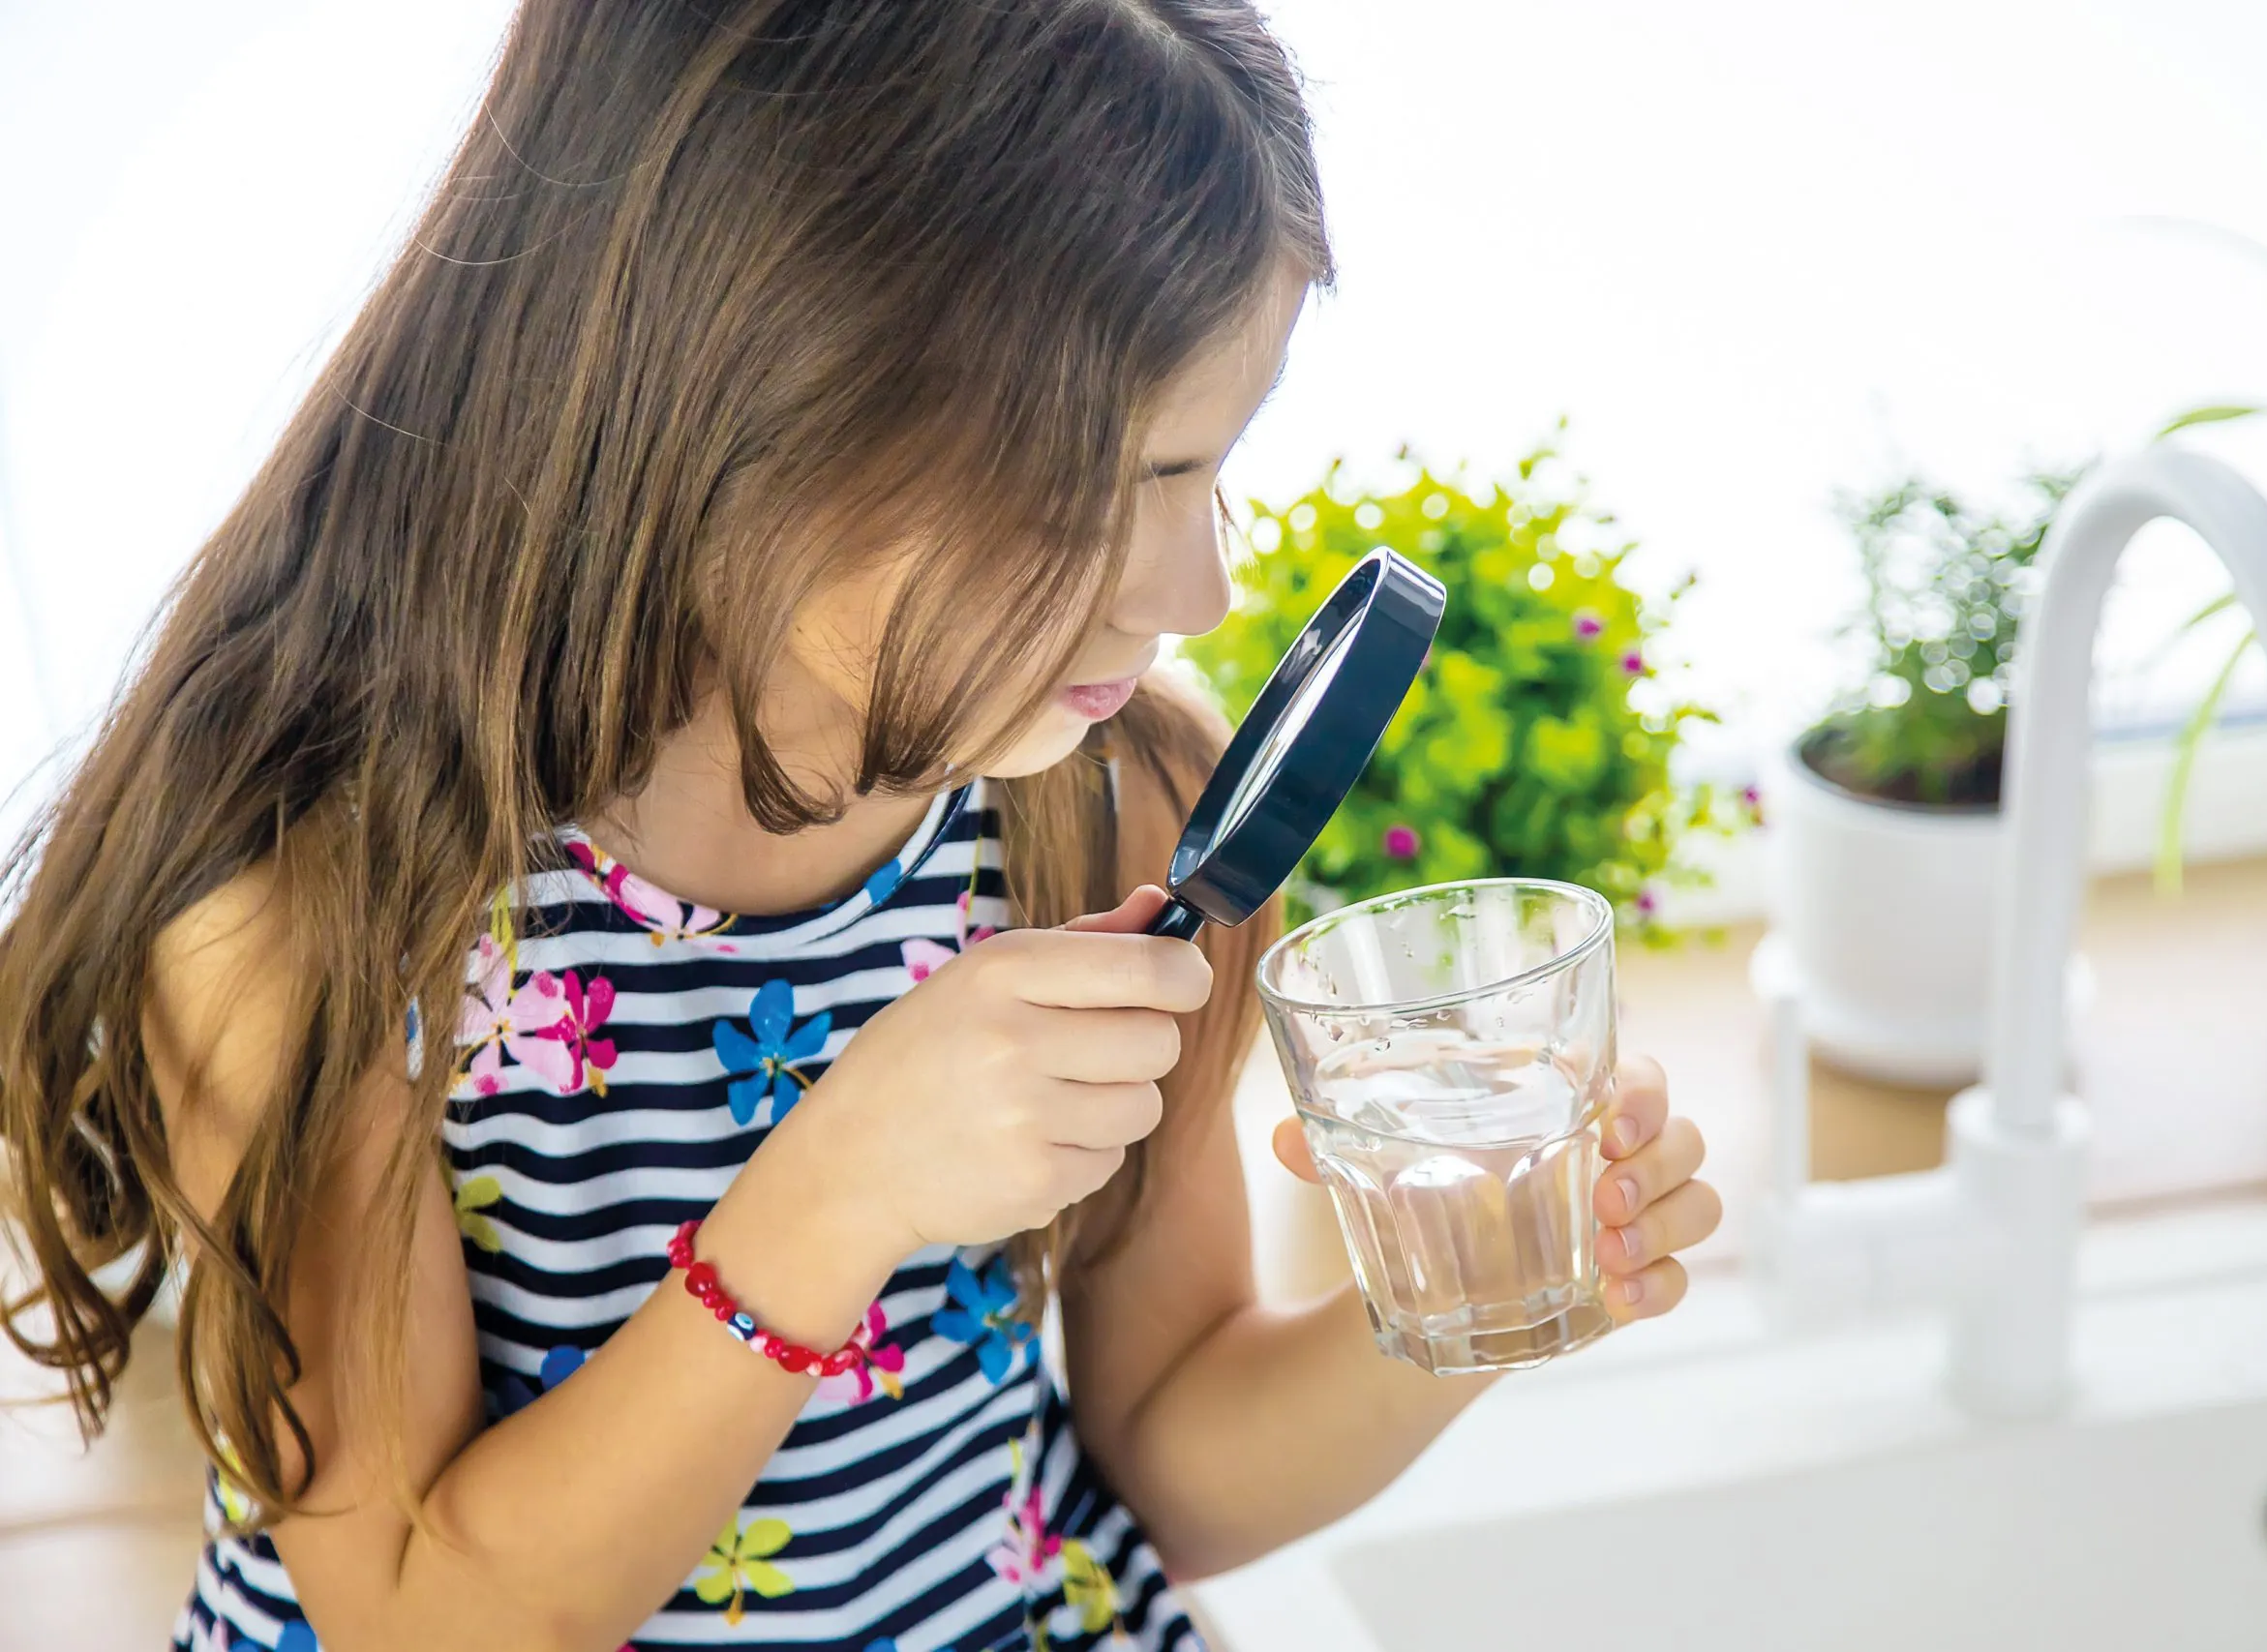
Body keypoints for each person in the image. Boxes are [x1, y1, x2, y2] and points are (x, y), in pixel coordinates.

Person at [0, 4, 1720, 1649]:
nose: (1199, 588)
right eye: (1123, 483)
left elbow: (1169, 1464)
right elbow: (428, 1617)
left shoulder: (1108, 810)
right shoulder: (313, 909)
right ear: (771, 404)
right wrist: (839, 1185)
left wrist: (1487, 1289)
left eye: (1216, 465)